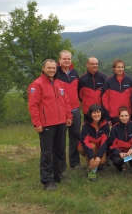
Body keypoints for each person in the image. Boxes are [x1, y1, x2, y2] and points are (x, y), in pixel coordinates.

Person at [28, 59, 72, 191]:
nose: (52, 70)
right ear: (43, 68)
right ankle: (47, 180)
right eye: (49, 68)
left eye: (54, 68)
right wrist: (37, 123)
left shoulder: (60, 83)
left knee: (60, 150)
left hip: (61, 122)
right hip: (47, 124)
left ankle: (58, 174)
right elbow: (33, 106)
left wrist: (68, 116)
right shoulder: (37, 84)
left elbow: (66, 101)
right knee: (47, 152)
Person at [56, 50, 82, 170]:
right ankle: (61, 166)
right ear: (59, 60)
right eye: (64, 59)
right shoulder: (54, 73)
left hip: (75, 110)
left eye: (69, 59)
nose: (67, 61)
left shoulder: (74, 72)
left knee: (75, 137)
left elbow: (78, 90)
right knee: (60, 140)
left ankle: (75, 163)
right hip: (61, 111)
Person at [78, 104, 109, 182]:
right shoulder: (86, 125)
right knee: (92, 146)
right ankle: (92, 171)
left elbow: (104, 142)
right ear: (90, 114)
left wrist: (98, 157)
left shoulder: (105, 124)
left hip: (99, 147)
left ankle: (96, 164)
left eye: (98, 112)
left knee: (102, 161)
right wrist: (92, 158)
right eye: (94, 113)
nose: (96, 114)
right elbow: (85, 142)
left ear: (101, 113)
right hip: (84, 147)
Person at [101, 58, 132, 125]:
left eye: (122, 67)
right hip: (114, 116)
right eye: (118, 67)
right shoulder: (108, 82)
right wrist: (107, 117)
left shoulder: (130, 81)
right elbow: (104, 101)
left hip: (127, 116)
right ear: (114, 68)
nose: (120, 69)